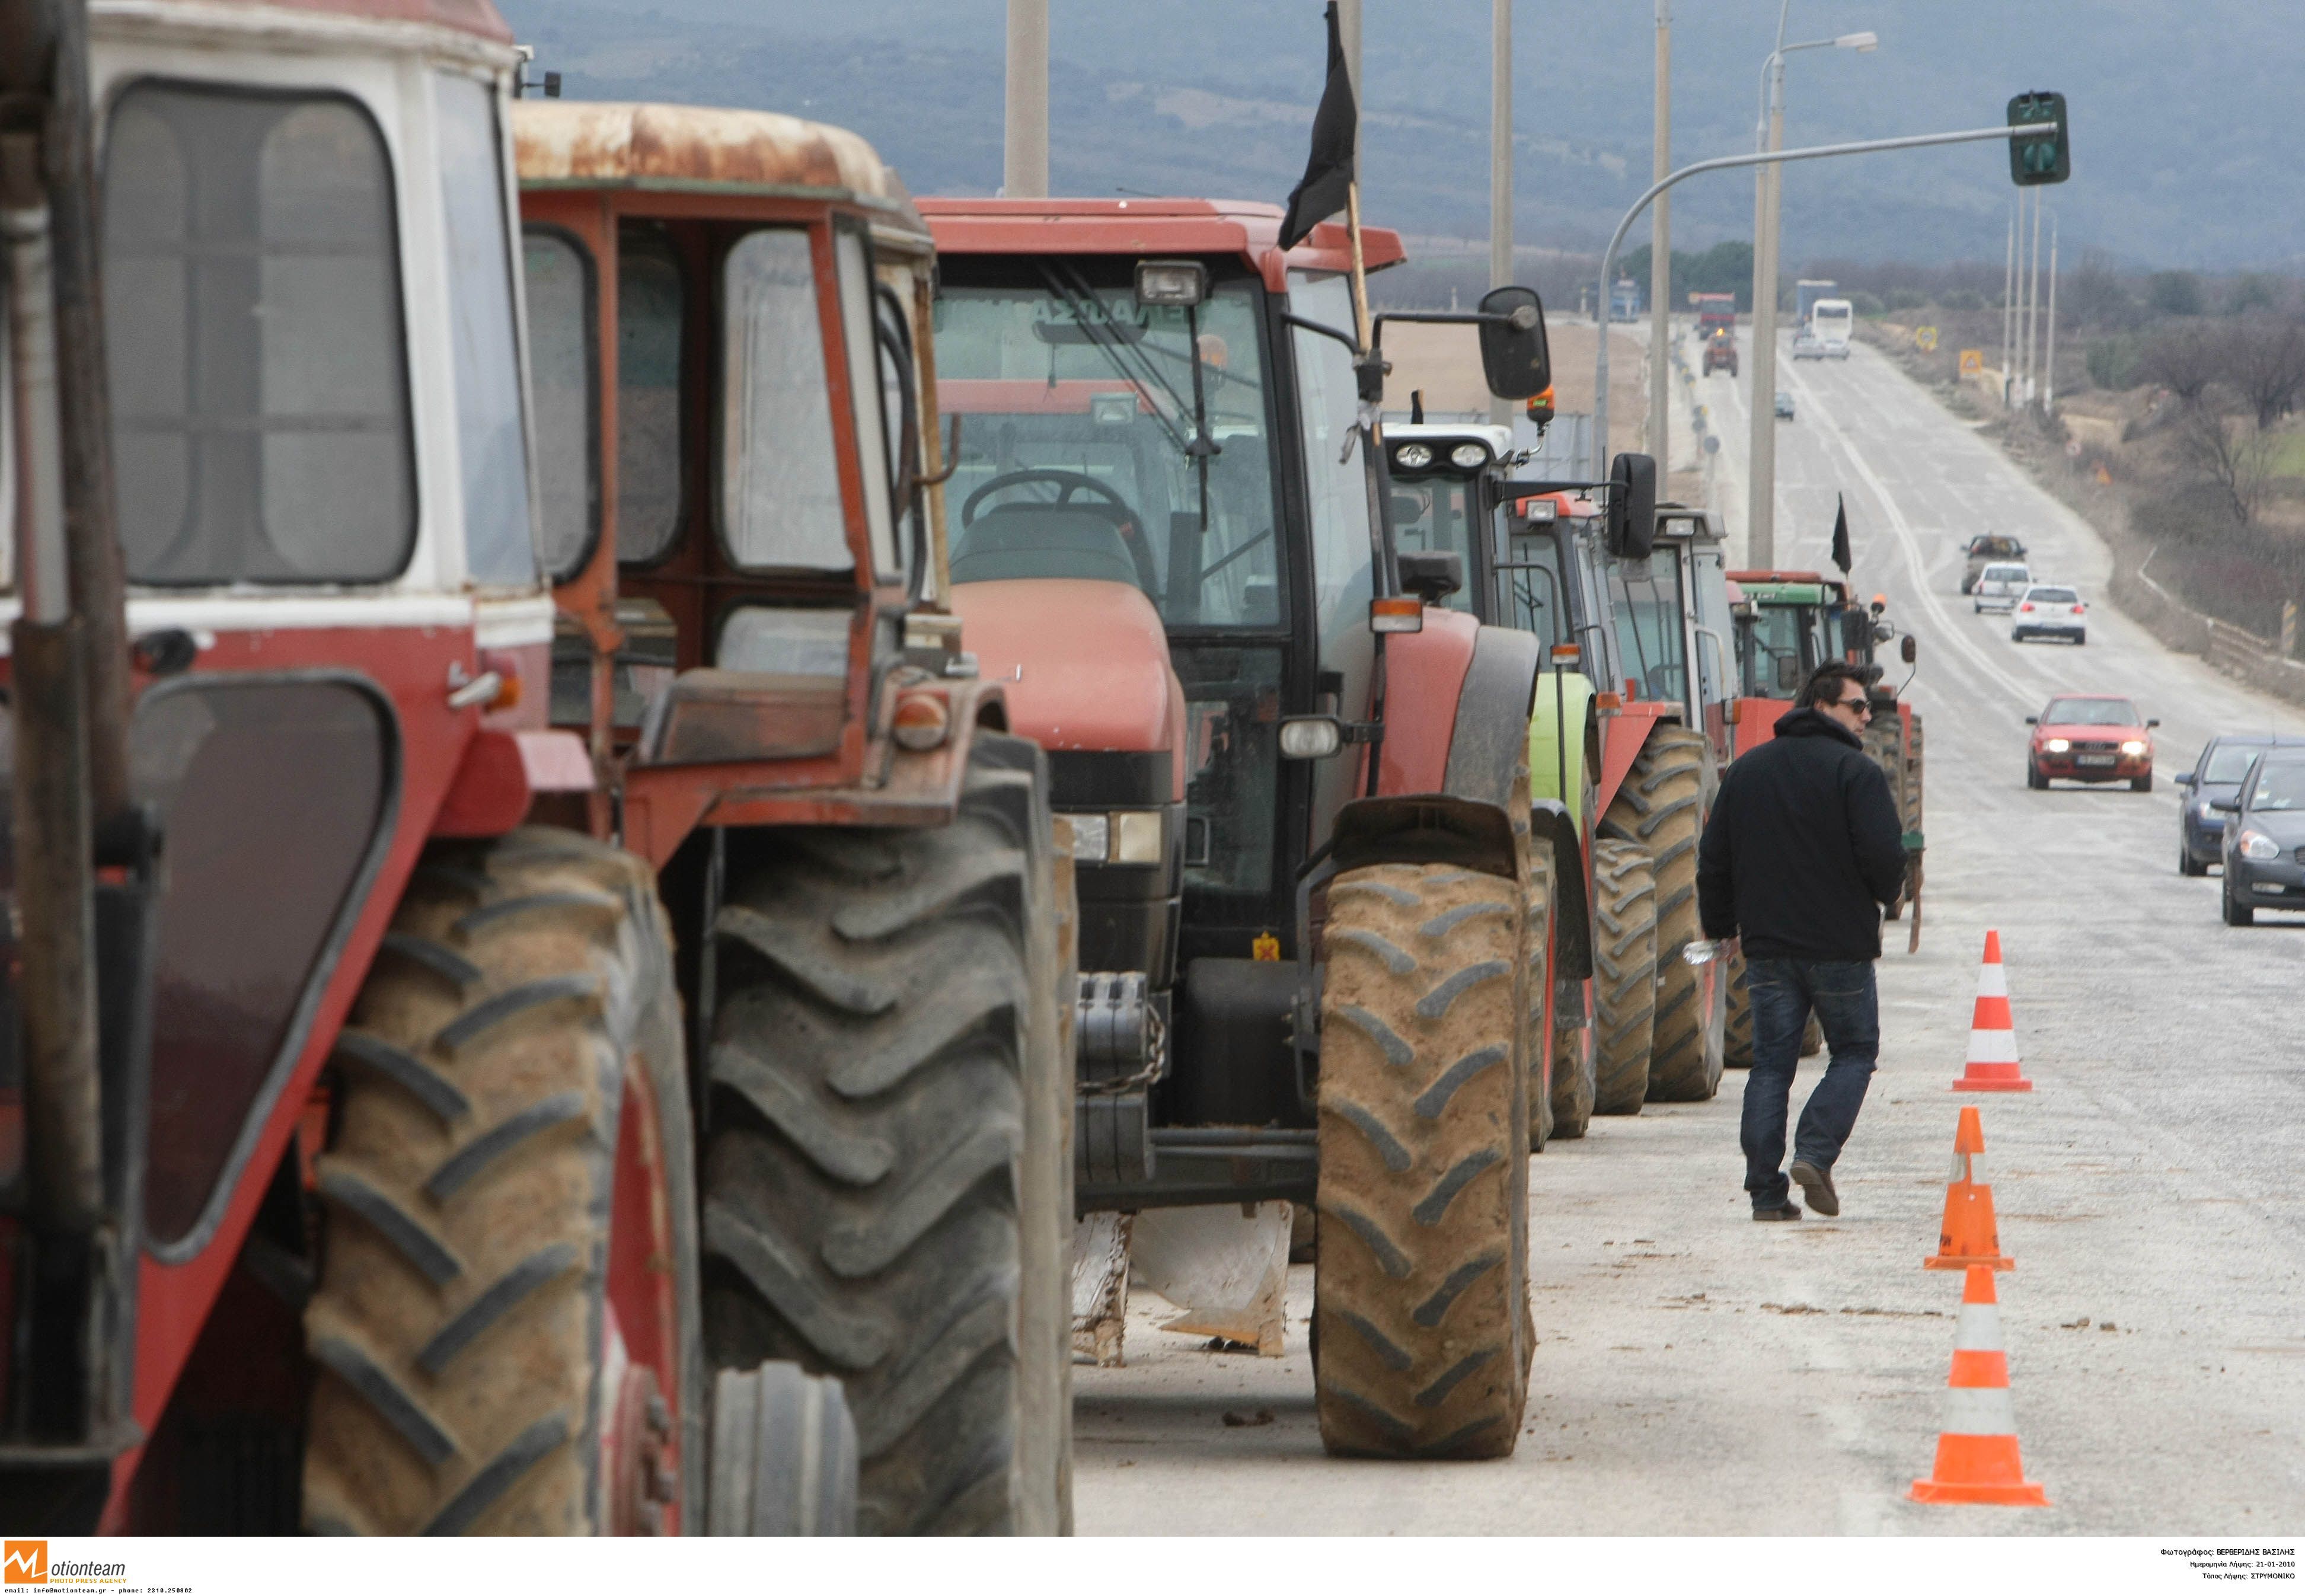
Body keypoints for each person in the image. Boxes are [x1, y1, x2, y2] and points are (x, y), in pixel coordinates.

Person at [1697, 659, 1907, 1220]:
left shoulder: (1747, 771)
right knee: (1855, 1052)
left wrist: (1722, 929)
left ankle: (1766, 1193)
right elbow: (1886, 856)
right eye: (1857, 706)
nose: (1866, 716)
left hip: (1767, 949)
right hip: (1840, 948)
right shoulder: (1855, 774)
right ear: (1822, 705)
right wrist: (1890, 894)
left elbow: (1713, 861)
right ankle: (1814, 1153)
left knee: (1771, 1067)